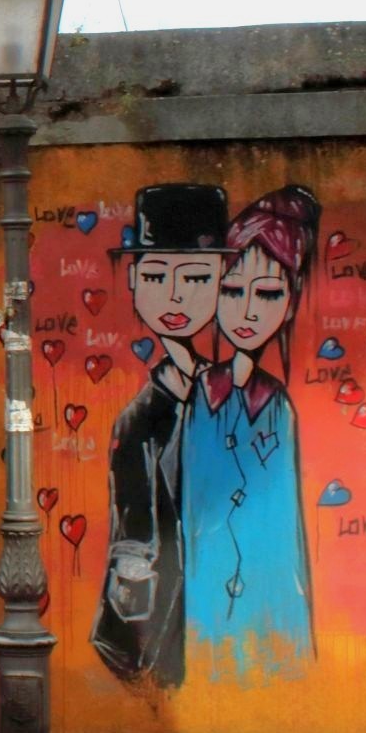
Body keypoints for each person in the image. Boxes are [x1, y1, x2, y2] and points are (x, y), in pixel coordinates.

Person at [93, 183, 229, 688]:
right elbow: (131, 531)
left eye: (195, 277)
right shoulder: (139, 419)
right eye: (155, 276)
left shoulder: (232, 396)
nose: (174, 296)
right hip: (172, 617)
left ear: (221, 280)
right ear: (133, 281)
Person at [183, 185, 318, 677]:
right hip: (201, 595)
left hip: (268, 599)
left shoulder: (277, 405)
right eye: (231, 291)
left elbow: (284, 533)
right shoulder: (199, 394)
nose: (246, 311)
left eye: (268, 294)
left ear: (290, 300)